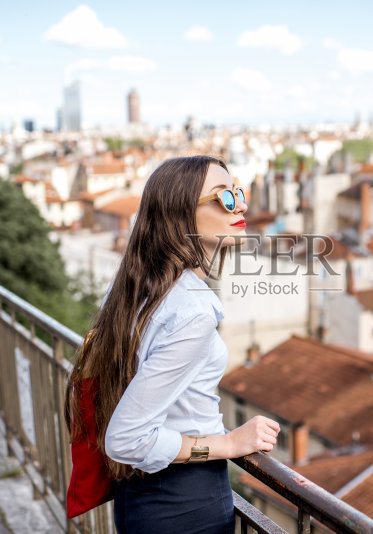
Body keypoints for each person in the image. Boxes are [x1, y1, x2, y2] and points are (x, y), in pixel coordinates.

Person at [67, 155, 280, 533]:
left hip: (137, 497)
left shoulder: (134, 288)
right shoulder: (192, 310)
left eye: (238, 192)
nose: (241, 204)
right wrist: (228, 444)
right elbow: (125, 438)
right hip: (186, 504)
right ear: (180, 215)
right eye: (225, 198)